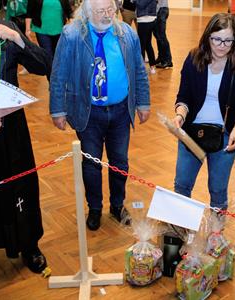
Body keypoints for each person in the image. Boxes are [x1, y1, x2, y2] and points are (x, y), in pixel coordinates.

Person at [49, 0, 150, 231]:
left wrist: (143, 102)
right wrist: (58, 109)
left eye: (110, 10)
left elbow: (138, 70)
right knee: (91, 164)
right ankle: (95, 208)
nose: (107, 15)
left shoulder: (126, 33)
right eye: (101, 11)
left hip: (121, 111)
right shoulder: (72, 34)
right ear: (86, 12)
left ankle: (117, 205)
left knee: (120, 162)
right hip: (88, 112)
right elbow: (59, 75)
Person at [0, 0, 51, 279]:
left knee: (20, 187)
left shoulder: (4, 29)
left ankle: (29, 245)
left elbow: (44, 64)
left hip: (11, 133)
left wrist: (18, 39)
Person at [172, 13, 235, 211]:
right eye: (217, 39)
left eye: (228, 40)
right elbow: (184, 96)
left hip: (224, 135)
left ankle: (215, 235)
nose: (222, 45)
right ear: (208, 36)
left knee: (217, 190)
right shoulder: (193, 59)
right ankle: (179, 230)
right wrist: (180, 115)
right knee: (182, 185)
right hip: (191, 133)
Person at [153, 0, 173, 69]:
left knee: (162, 36)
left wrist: (155, 13)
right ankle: (161, 57)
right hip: (162, 10)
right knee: (157, 35)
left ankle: (168, 60)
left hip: (161, 10)